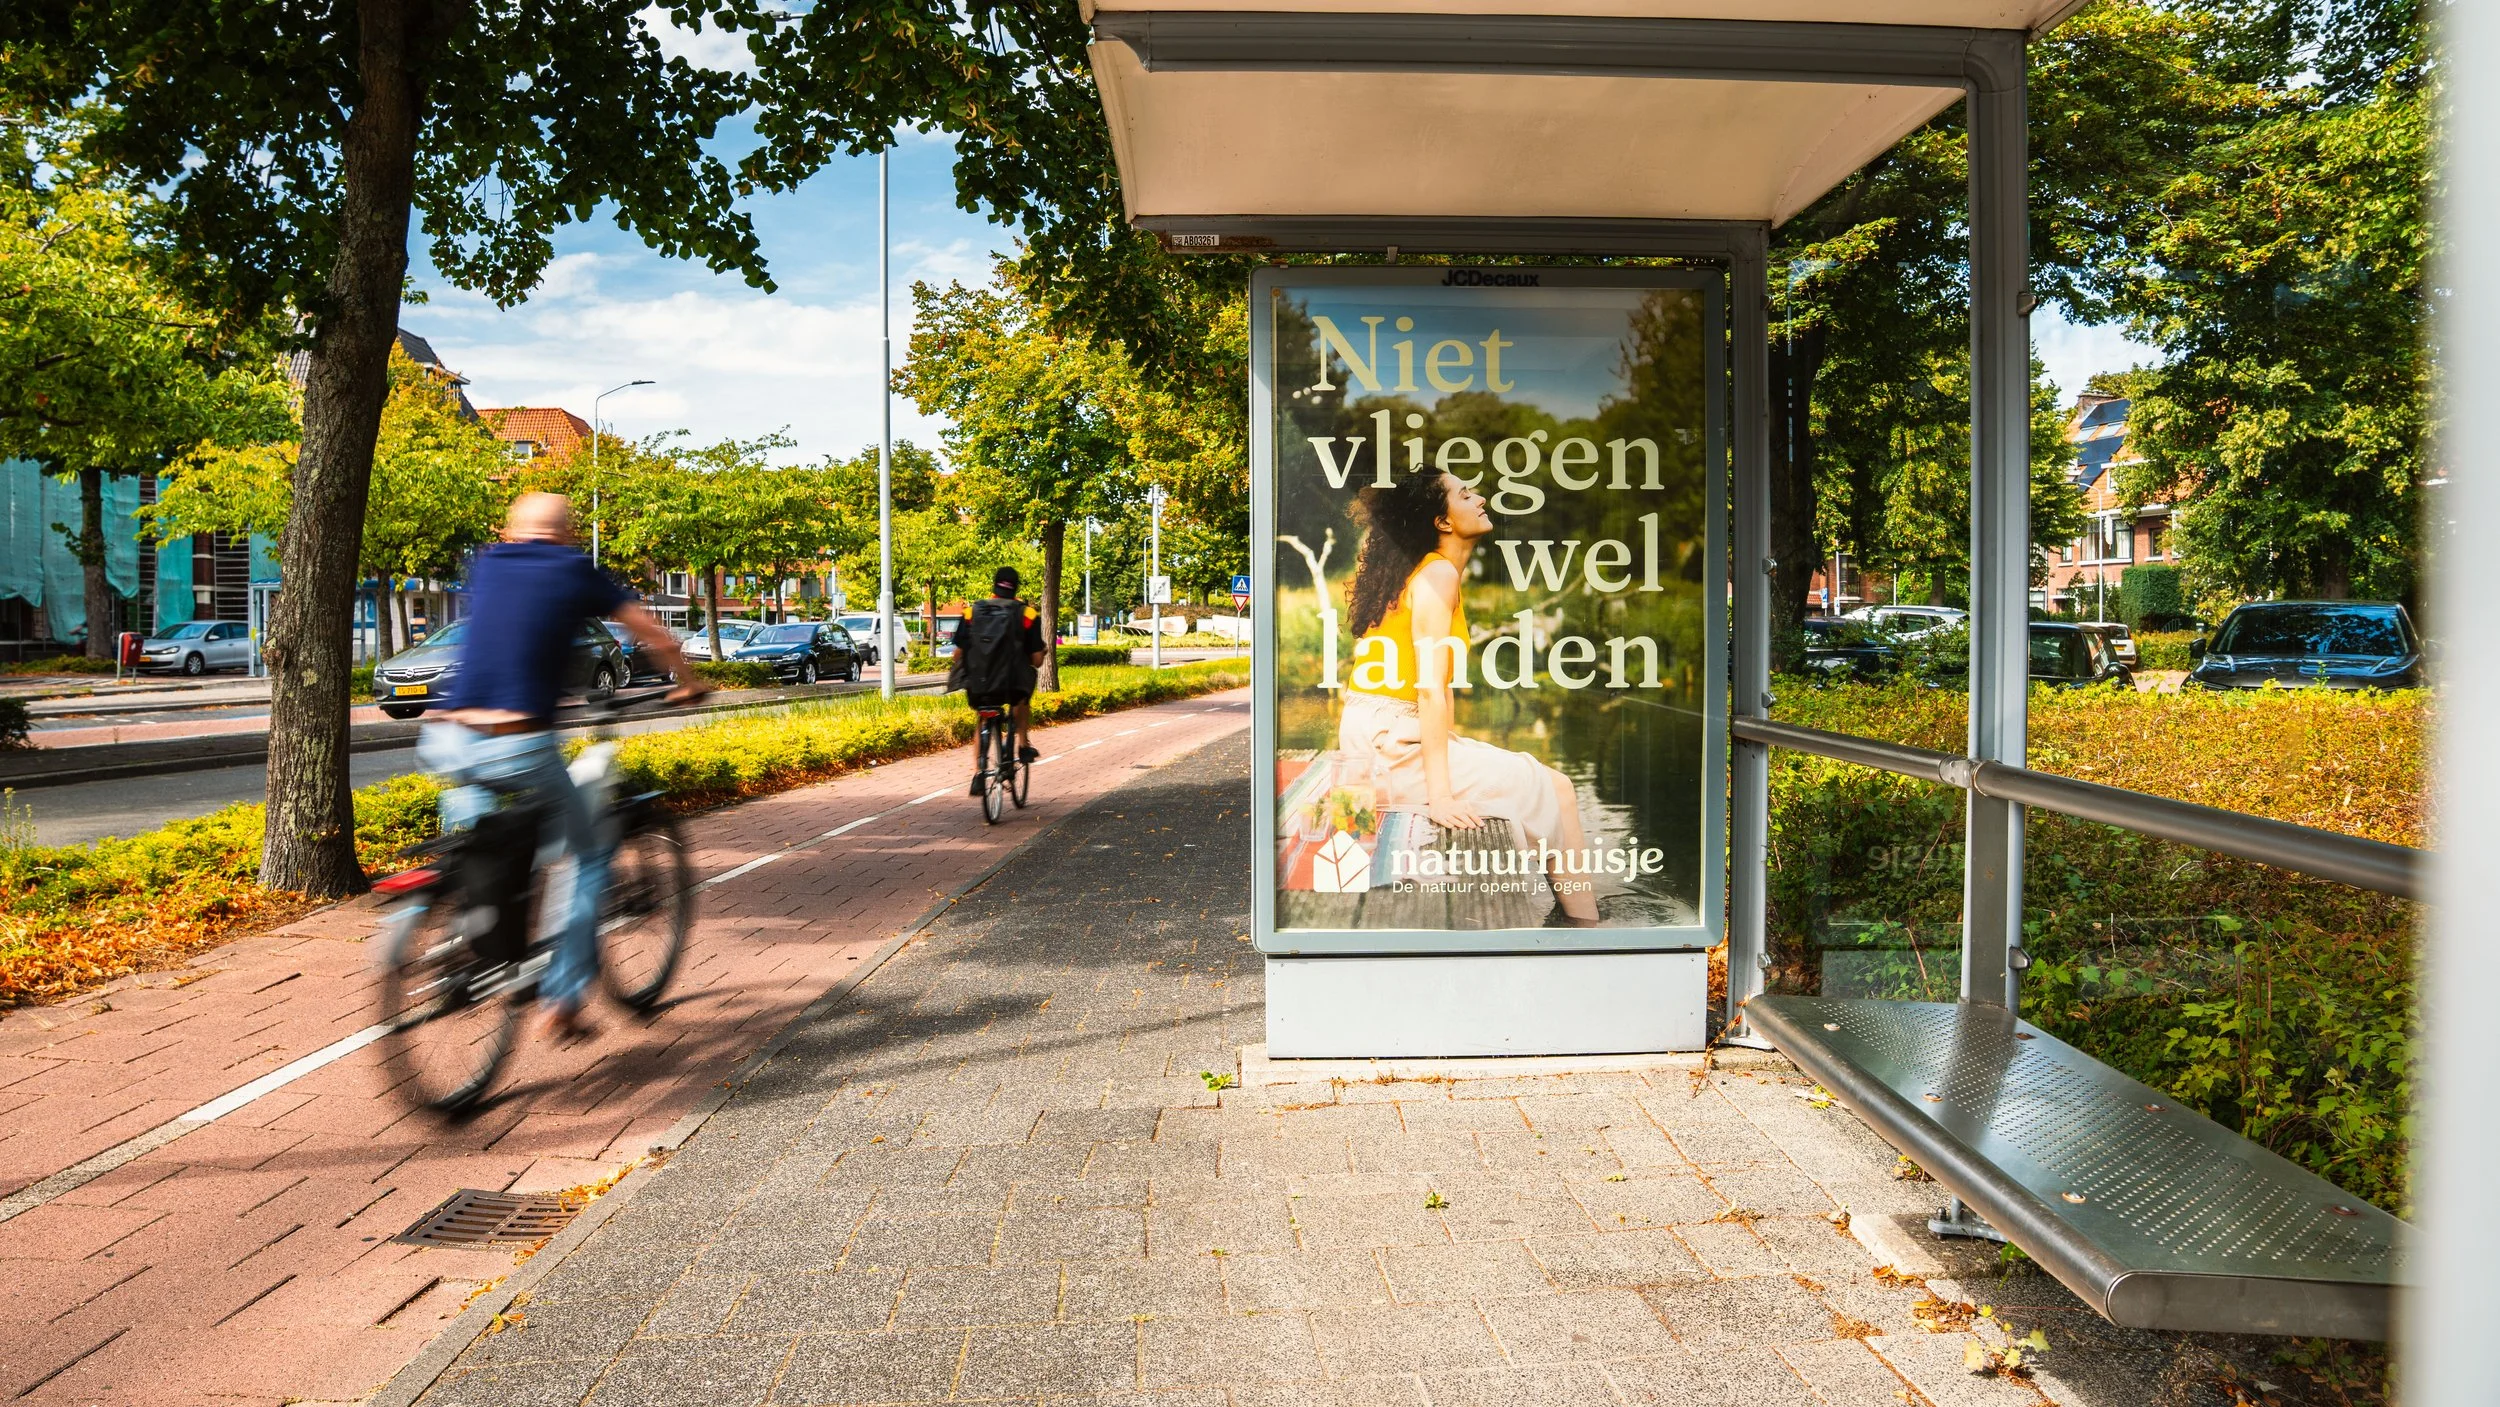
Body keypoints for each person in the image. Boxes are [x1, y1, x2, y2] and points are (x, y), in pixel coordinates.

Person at [418, 492, 709, 1039]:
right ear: (568, 533)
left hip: (445, 736)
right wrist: (688, 683)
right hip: (516, 742)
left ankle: (465, 933)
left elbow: (510, 638)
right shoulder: (573, 568)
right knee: (591, 853)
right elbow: (652, 631)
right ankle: (562, 998)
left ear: (510, 533)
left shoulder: (489, 562)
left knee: (482, 845)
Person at [1338, 469, 1601, 924]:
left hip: (1384, 733)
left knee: (1546, 783)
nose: (1480, 499)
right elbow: (1431, 689)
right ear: (1442, 522)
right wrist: (1441, 795)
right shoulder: (1438, 573)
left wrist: (1451, 755)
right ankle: (1589, 926)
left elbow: (1435, 693)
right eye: (1465, 494)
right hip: (1391, 745)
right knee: (1557, 788)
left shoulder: (1427, 571)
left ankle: (1580, 918)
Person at [950, 566, 1047, 793]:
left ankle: (977, 772)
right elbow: (1036, 661)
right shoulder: (1028, 615)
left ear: (994, 585)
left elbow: (958, 653)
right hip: (1013, 685)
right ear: (1016, 588)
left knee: (982, 717)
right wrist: (1042, 652)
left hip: (981, 684)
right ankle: (1023, 744)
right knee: (1022, 700)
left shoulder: (972, 612)